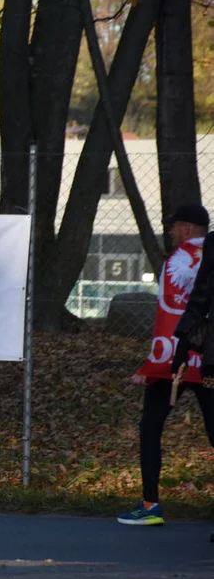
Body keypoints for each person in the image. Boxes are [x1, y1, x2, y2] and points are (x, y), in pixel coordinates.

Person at [122, 203, 214, 526]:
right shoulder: (210, 253)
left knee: (151, 427)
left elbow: (169, 318)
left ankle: (150, 506)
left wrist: (154, 363)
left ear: (186, 229)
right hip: (208, 362)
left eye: (174, 226)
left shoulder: (178, 260)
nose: (171, 231)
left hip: (175, 361)